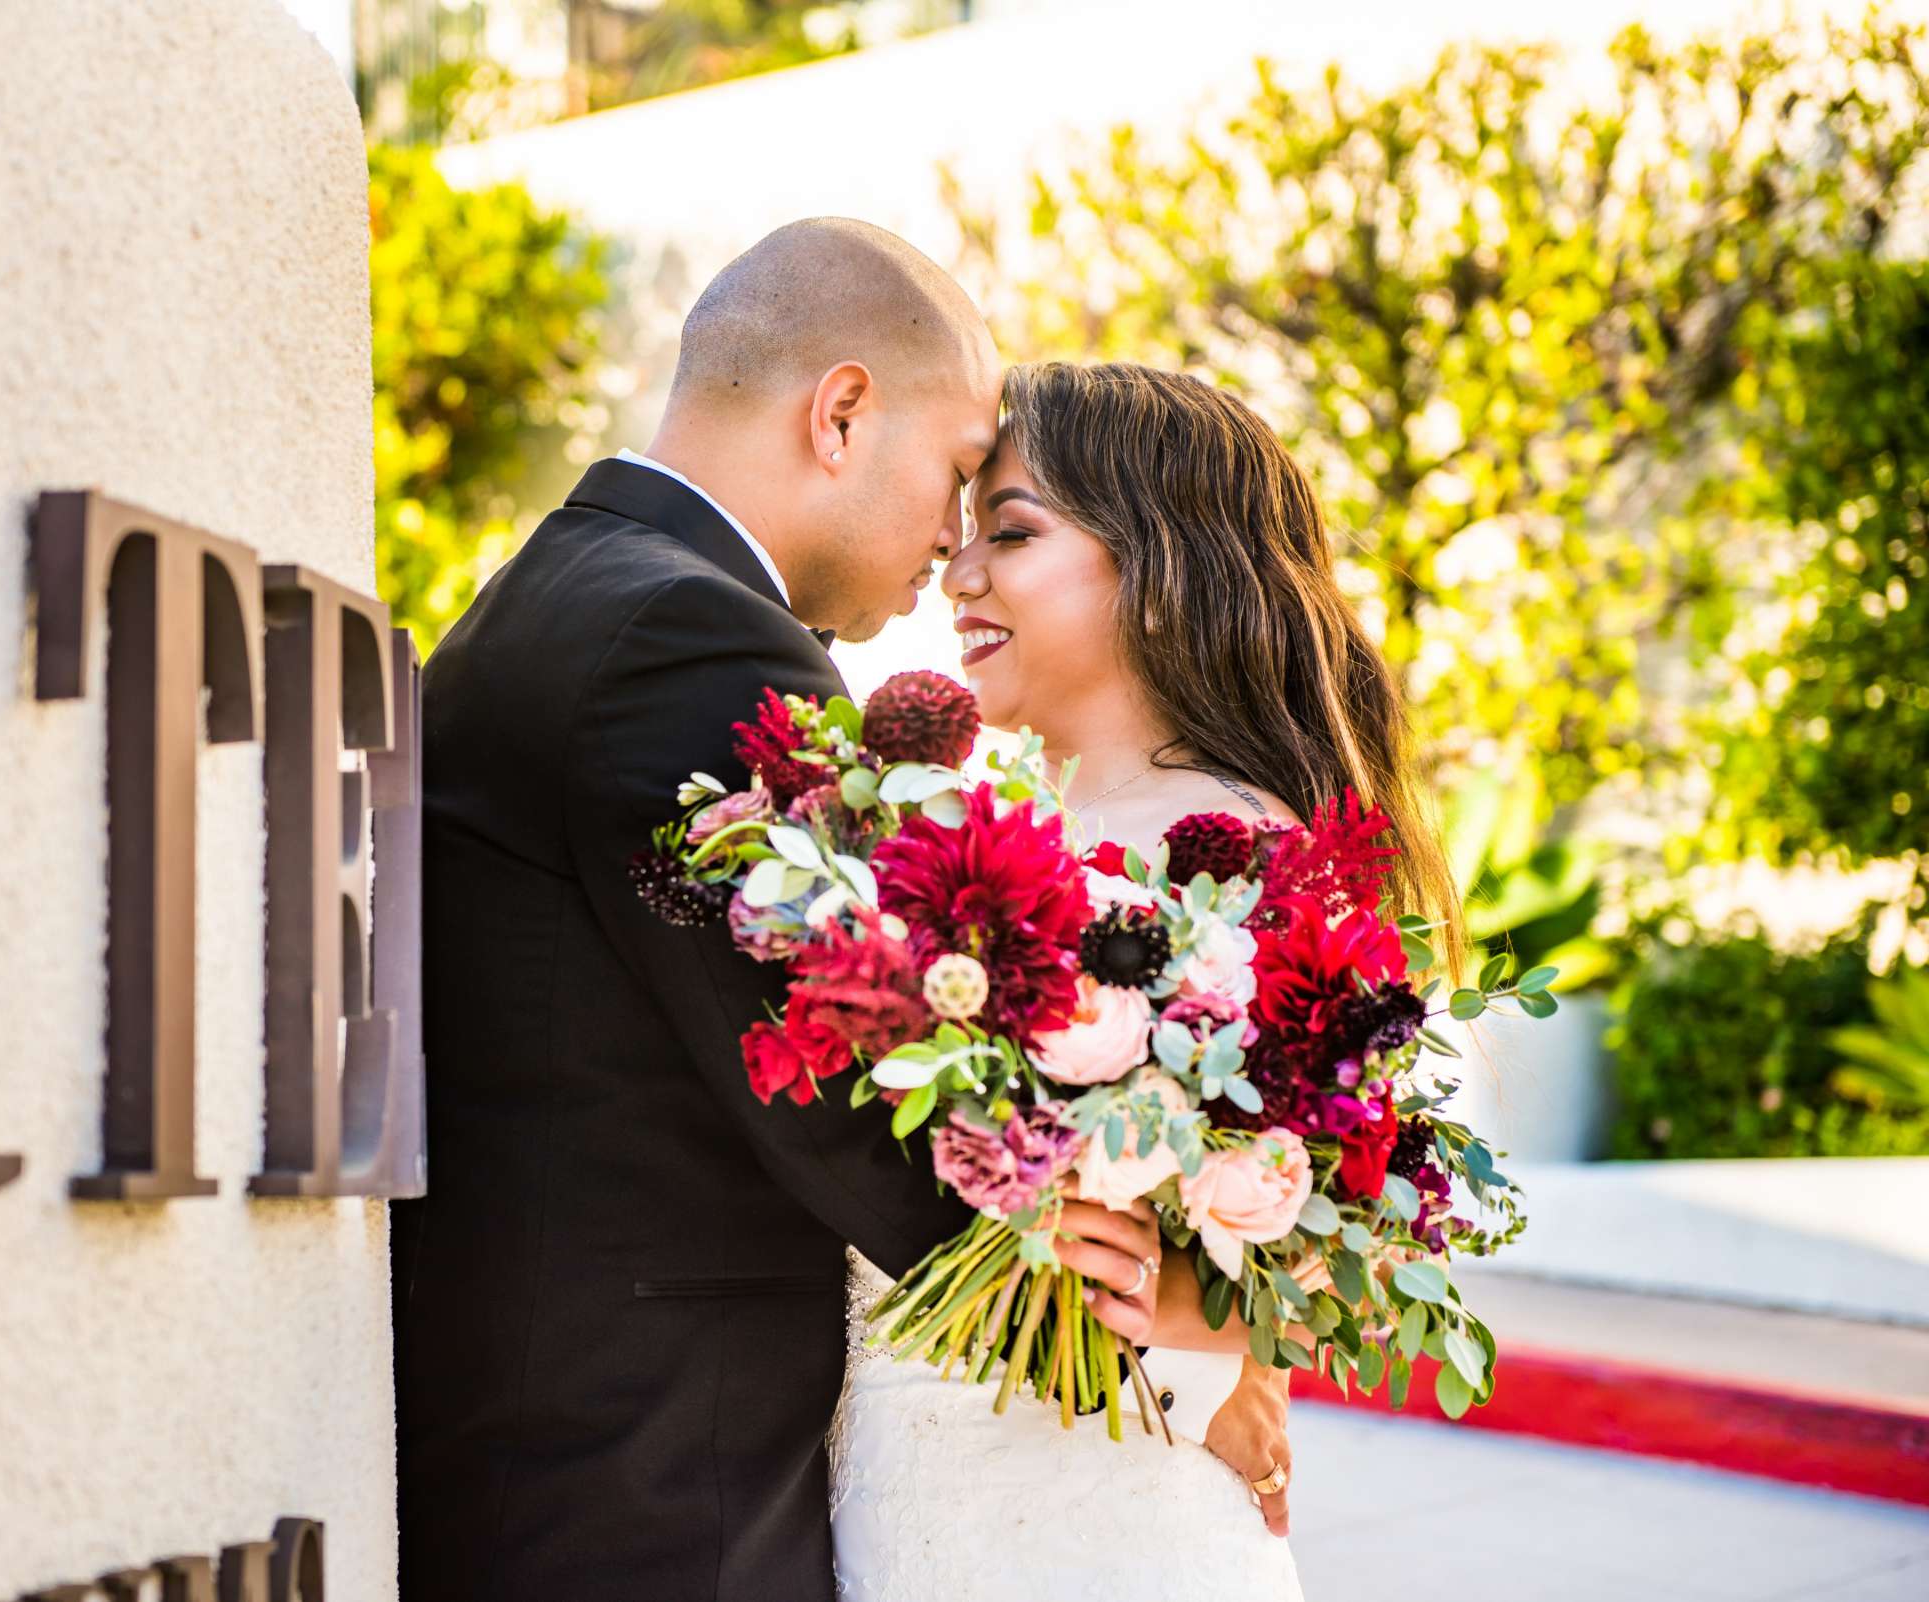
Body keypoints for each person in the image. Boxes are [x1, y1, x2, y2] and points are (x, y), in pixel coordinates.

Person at [392, 222, 1165, 1602]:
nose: (952, 536)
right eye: (954, 472)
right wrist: (1158, 1322)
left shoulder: (566, 592)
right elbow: (853, 1088)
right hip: (635, 1503)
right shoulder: (683, 640)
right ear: (842, 413)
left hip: (579, 1471)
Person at [830, 361, 1460, 1600]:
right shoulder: (988, 833)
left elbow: (1357, 1235)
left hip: (1094, 1530)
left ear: (1165, 570)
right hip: (904, 1491)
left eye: (1011, 533)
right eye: (961, 540)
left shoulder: (1248, 852)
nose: (958, 577)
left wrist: (1195, 1346)